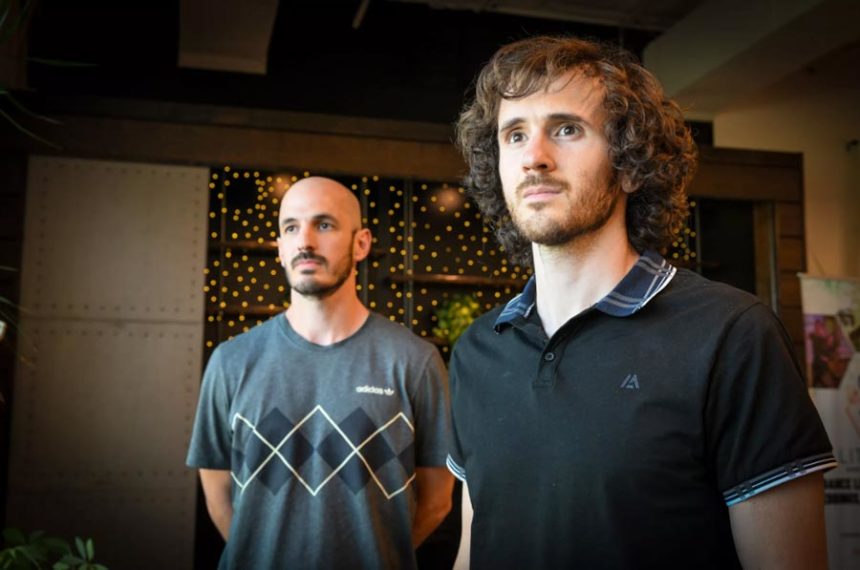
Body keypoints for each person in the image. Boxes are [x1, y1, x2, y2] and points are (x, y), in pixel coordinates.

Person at [447, 36, 836, 569]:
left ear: (630, 164)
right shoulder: (476, 352)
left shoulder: (732, 335)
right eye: (514, 135)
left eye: (566, 129)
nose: (534, 157)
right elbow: (476, 543)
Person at [187, 176, 454, 569]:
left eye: (324, 225)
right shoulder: (231, 361)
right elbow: (218, 493)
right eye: (291, 227)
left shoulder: (414, 361)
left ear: (361, 243)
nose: (305, 241)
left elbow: (437, 500)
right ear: (279, 247)